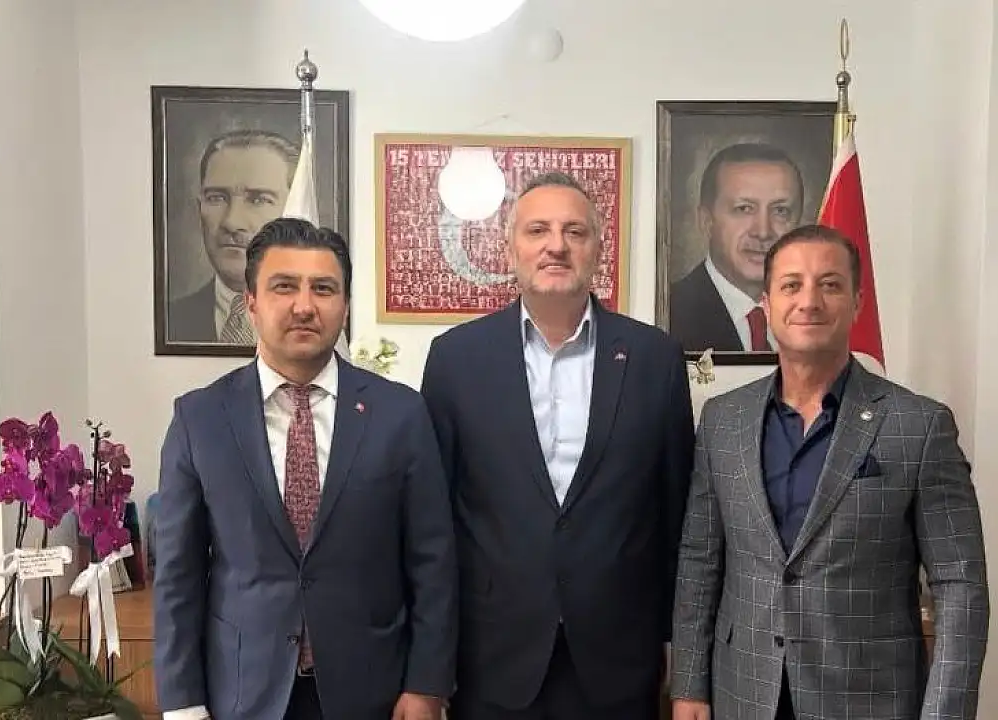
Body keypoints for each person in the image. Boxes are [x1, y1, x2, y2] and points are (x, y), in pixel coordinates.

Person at [670, 224, 989, 720]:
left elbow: (960, 584)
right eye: (791, 285)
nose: (809, 301)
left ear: (857, 303)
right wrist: (689, 685)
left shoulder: (919, 426)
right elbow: (699, 560)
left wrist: (945, 713)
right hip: (744, 692)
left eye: (830, 284)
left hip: (869, 698)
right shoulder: (722, 421)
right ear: (767, 303)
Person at [154, 217, 456, 719]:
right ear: (250, 302)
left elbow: (433, 563)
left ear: (345, 305)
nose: (304, 305)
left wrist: (427, 685)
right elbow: (177, 578)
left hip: (372, 693)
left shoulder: (400, 414)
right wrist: (183, 705)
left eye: (323, 288)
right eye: (284, 286)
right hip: (244, 693)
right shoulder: (199, 419)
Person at [421, 171, 695, 719]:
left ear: (598, 249)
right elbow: (435, 522)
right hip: (491, 657)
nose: (556, 245)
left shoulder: (656, 359)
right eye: (538, 230)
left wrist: (678, 642)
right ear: (511, 248)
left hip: (620, 657)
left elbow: (677, 516)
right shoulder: (455, 360)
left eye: (575, 231)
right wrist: (431, 664)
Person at [668, 143, 805, 354]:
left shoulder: (816, 315)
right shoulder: (668, 314)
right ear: (706, 221)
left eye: (780, 211)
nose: (763, 232)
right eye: (744, 209)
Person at [168, 129, 299, 344]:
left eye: (258, 200)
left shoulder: (321, 323)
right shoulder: (173, 320)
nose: (232, 222)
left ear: (295, 211)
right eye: (217, 198)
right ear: (199, 209)